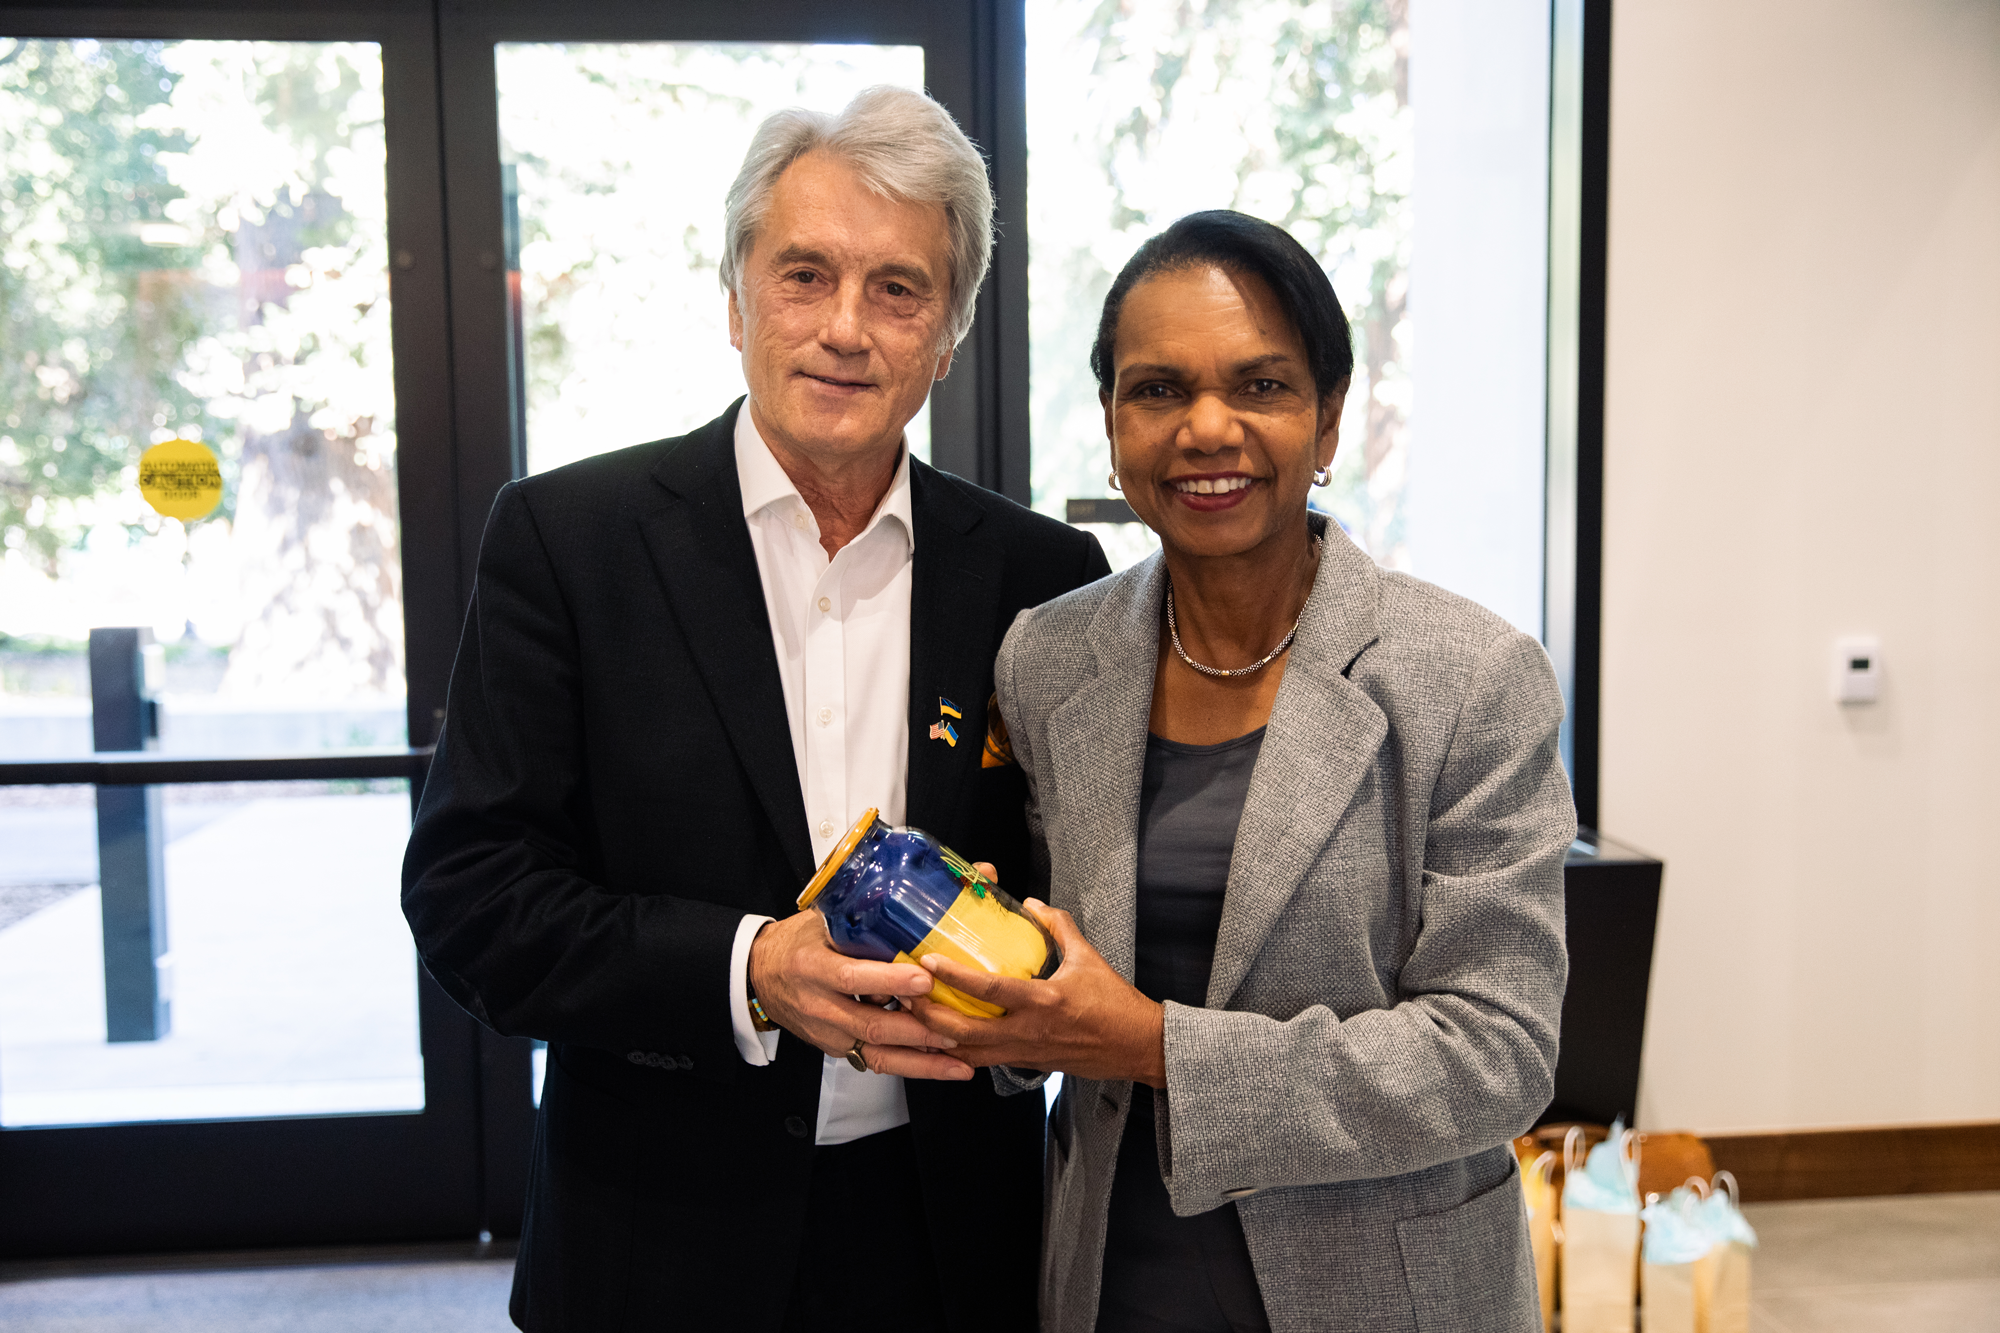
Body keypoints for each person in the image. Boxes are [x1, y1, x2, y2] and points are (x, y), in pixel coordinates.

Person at [401, 87, 1109, 1333]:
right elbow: (473, 897)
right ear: (733, 300)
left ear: (948, 333)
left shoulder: (1038, 579)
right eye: (804, 274)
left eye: (899, 289)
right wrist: (749, 968)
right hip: (657, 1236)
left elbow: (1088, 892)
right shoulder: (570, 543)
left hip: (955, 1243)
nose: (846, 327)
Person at [911, 211, 1574, 1333]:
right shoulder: (1048, 657)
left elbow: (1494, 1053)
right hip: (1109, 1276)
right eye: (1156, 390)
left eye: (1258, 386)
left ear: (1326, 420)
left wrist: (1149, 1043)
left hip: (1376, 1288)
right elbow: (1039, 950)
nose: (1204, 428)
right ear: (1113, 427)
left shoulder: (1469, 677)